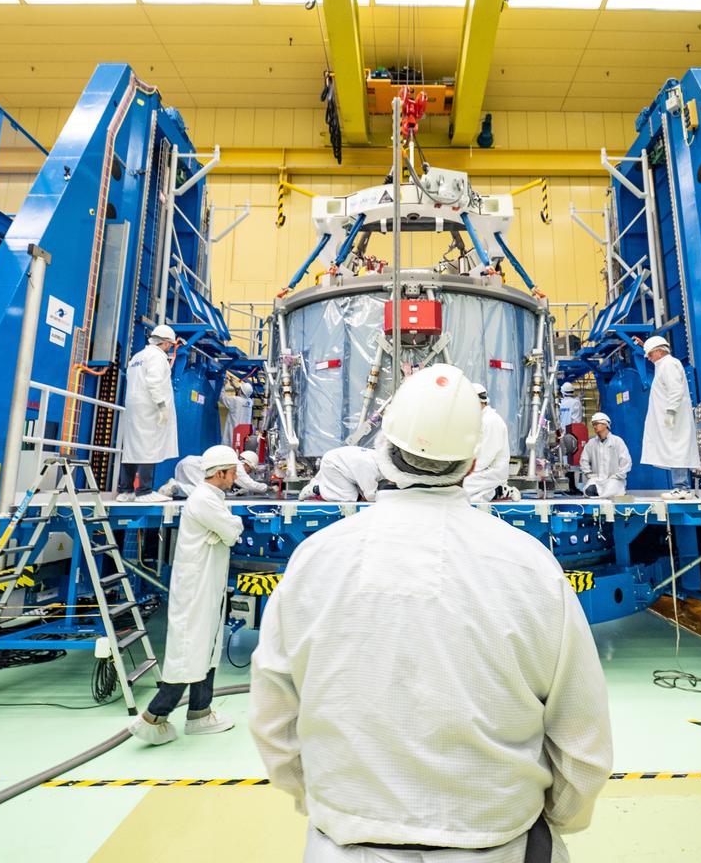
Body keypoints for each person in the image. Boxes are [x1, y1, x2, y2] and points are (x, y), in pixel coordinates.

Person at [249, 365, 612, 861]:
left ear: (384, 448)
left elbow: (273, 722)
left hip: (346, 842)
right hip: (495, 841)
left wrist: (330, 805)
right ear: (472, 461)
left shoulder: (315, 560)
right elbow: (582, 740)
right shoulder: (531, 567)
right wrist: (549, 819)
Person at [129, 445, 243, 745]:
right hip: (196, 588)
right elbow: (232, 532)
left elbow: (228, 531)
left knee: (204, 649)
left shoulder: (212, 499)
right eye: (232, 473)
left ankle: (199, 713)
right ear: (220, 473)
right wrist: (230, 528)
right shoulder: (205, 500)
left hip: (206, 585)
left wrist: (228, 529)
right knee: (189, 651)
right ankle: (152, 718)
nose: (235, 478)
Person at [117, 325, 179, 503]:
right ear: (166, 343)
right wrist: (161, 406)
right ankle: (144, 491)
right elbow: (154, 382)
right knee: (148, 447)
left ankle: (126, 490)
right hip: (150, 406)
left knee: (132, 447)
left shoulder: (138, 356)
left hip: (135, 406)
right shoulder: (157, 357)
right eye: (170, 345)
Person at [637, 336, 700, 501]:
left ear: (658, 351)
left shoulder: (669, 364)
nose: (649, 359)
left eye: (650, 354)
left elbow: (675, 389)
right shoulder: (663, 365)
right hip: (671, 417)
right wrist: (645, 346)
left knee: (677, 449)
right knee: (674, 449)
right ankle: (680, 487)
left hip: (675, 416)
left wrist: (671, 411)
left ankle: (682, 488)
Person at [463, 383, 513, 503]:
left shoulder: (491, 421)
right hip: (480, 470)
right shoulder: (481, 419)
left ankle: (498, 491)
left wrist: (464, 470)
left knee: (462, 490)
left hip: (492, 472)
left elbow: (484, 458)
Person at [162, 448, 268, 499]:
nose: (248, 473)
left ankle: (174, 489)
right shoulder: (237, 465)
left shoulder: (232, 461)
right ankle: (176, 487)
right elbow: (249, 484)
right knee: (204, 492)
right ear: (247, 464)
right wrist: (267, 488)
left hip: (185, 463)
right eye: (249, 470)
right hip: (191, 466)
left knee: (187, 497)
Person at [296, 444, 380, 503]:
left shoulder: (378, 458)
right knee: (348, 497)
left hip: (341, 463)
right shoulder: (370, 467)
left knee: (358, 494)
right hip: (333, 464)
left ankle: (319, 485)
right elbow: (370, 496)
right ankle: (317, 489)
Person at [579, 412, 631, 498]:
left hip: (613, 479)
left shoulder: (617, 441)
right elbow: (583, 460)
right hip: (597, 480)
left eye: (596, 424)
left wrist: (618, 475)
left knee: (610, 491)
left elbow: (626, 461)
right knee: (588, 491)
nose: (594, 426)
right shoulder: (591, 443)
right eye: (593, 424)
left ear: (605, 424)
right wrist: (589, 474)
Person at [221, 380, 254, 452]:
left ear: (241, 391)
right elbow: (242, 396)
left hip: (234, 430)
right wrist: (234, 386)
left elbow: (222, 398)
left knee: (230, 449)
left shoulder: (235, 400)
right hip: (243, 432)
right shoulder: (250, 402)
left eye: (240, 389)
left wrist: (222, 385)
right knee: (239, 449)